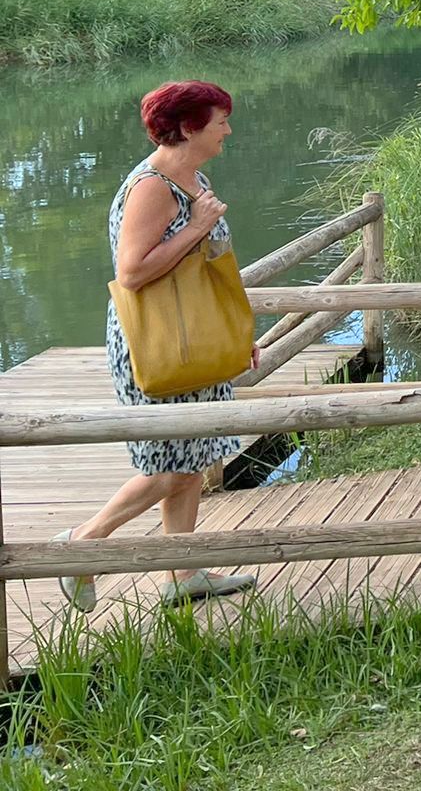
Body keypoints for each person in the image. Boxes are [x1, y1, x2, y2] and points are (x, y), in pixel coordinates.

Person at [59, 81, 258, 612]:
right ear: (190, 127)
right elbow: (131, 273)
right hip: (158, 341)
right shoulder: (153, 187)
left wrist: (237, 334)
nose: (228, 130)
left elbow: (210, 269)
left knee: (193, 455)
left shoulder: (192, 177)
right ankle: (84, 542)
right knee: (169, 465)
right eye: (220, 122)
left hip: (196, 334)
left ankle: (183, 572)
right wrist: (194, 228)